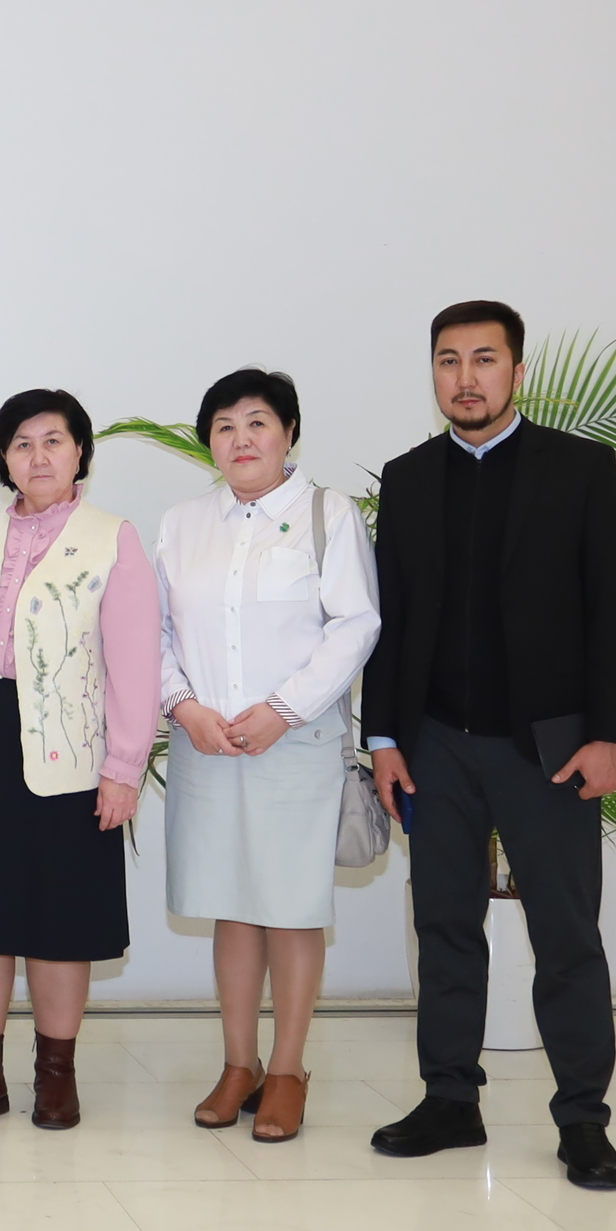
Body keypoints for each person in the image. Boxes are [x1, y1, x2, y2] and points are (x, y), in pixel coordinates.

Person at [364, 301, 616, 1190]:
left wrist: (612, 736)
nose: (466, 378)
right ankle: (450, 1098)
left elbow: (613, 609)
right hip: (436, 746)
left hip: (549, 748)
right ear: (434, 373)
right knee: (444, 925)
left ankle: (583, 1119)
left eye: (484, 359)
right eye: (449, 360)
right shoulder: (409, 478)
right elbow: (392, 621)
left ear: (517, 371)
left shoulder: (579, 468)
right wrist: (385, 739)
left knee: (566, 935)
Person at [0, 389, 162, 1132]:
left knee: (60, 920)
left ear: (80, 453)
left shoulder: (113, 538)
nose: (38, 456)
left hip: (69, 753)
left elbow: (135, 664)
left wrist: (124, 767)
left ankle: (55, 1078)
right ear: (3, 459)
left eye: (54, 440)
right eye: (22, 443)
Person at [154, 368, 381, 1143]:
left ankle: (287, 1071)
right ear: (208, 443)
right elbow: (153, 632)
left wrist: (283, 711)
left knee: (290, 908)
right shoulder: (183, 523)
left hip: (295, 743)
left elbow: (356, 625)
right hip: (207, 742)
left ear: (288, 433)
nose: (241, 438)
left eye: (257, 422)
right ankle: (238, 1065)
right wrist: (185, 707)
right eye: (224, 426)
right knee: (231, 903)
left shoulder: (328, 514)